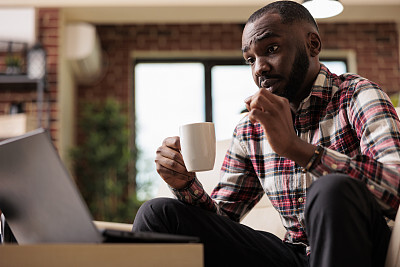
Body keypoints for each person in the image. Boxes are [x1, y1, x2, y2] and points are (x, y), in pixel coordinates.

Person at [133, 1, 400, 266]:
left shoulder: (357, 94)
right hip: (295, 255)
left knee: (332, 188)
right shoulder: (250, 128)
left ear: (313, 45)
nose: (259, 68)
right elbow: (222, 220)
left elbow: (394, 184)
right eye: (250, 59)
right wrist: (185, 185)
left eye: (271, 49)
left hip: (360, 248)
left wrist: (296, 149)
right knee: (157, 213)